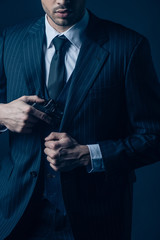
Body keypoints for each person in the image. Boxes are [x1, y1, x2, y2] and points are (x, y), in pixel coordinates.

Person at [0, 0, 160, 239]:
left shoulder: (129, 47)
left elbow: (154, 136)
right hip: (17, 214)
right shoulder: (9, 40)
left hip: (96, 218)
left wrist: (90, 154)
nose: (63, 0)